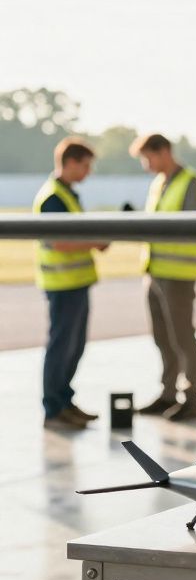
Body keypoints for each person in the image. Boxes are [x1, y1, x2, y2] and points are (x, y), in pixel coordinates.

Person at [130, 133, 196, 422]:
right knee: (162, 337)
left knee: (183, 337)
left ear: (163, 151)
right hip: (154, 272)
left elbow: (188, 227)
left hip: (178, 275)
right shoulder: (159, 184)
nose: (145, 164)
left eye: (147, 157)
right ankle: (167, 394)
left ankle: (192, 399)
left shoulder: (190, 184)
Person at [34, 137, 109, 430]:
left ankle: (64, 401)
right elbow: (61, 242)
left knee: (73, 347)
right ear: (70, 163)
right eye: (85, 166)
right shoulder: (53, 197)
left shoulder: (68, 194)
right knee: (61, 347)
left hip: (76, 283)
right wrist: (97, 242)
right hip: (62, 285)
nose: (88, 172)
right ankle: (54, 409)